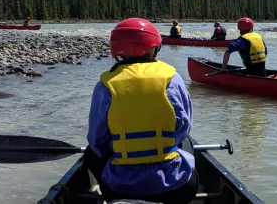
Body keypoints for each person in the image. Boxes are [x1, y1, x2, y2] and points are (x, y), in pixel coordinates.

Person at [83, 18, 199, 204]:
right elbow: (184, 128)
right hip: (176, 188)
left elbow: (98, 142)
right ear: (152, 48)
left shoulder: (104, 86)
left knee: (90, 153)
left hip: (120, 188)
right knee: (188, 143)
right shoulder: (173, 79)